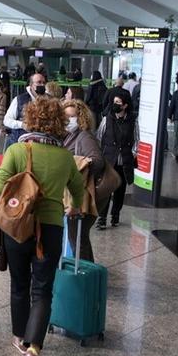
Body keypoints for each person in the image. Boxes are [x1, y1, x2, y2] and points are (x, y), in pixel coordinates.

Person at [0, 97, 84, 356]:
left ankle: (20, 337)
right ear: (58, 123)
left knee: (19, 284)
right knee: (42, 290)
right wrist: (73, 206)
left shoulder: (18, 149)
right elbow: (78, 191)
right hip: (51, 229)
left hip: (18, 228)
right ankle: (34, 348)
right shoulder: (64, 156)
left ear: (30, 119)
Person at [62, 99, 105, 259]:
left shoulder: (84, 136)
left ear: (81, 118)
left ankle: (85, 273)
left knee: (78, 236)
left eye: (71, 117)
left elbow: (98, 161)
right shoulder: (69, 135)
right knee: (78, 236)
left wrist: (77, 169)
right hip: (77, 193)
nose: (68, 120)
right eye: (65, 117)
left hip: (85, 193)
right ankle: (87, 271)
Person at [96, 89, 138, 228]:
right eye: (114, 102)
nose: (115, 105)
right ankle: (102, 218)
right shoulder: (106, 118)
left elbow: (136, 140)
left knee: (120, 191)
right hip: (109, 161)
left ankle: (115, 215)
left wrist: (131, 153)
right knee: (106, 189)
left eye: (118, 102)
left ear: (125, 105)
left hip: (123, 162)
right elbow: (99, 137)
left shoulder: (132, 121)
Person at [3, 73, 47, 146]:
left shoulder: (49, 100)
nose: (42, 85)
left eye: (43, 82)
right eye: (39, 82)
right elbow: (7, 120)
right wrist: (22, 125)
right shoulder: (19, 100)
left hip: (42, 143)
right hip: (19, 142)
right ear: (31, 85)